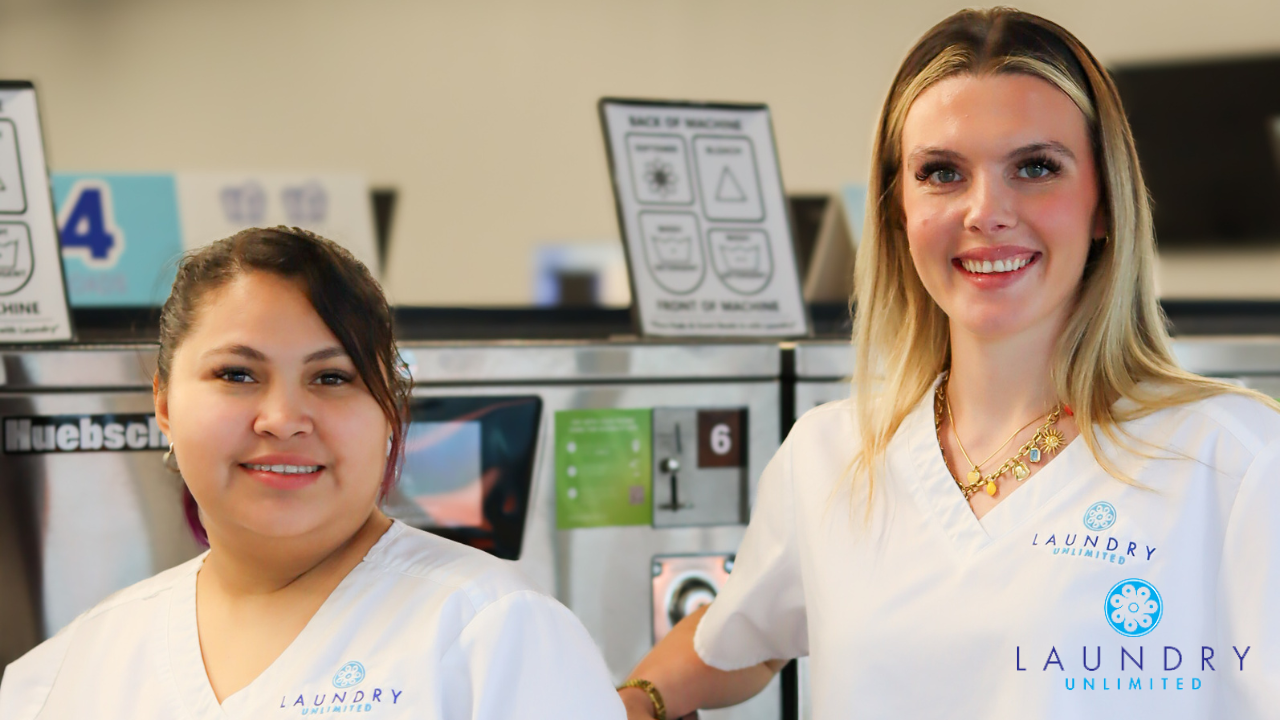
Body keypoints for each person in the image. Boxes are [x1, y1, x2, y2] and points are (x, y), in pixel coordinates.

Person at [618, 8, 1279, 719]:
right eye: (941, 173)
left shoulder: (1232, 461)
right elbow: (740, 639)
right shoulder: (831, 456)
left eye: (1035, 167)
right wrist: (633, 702)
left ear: (1104, 203)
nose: (986, 211)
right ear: (898, 209)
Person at [0, 227, 625, 719]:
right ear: (163, 404)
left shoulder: (493, 635)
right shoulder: (61, 675)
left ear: (390, 413)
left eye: (332, 377)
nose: (282, 418)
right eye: (237, 374)